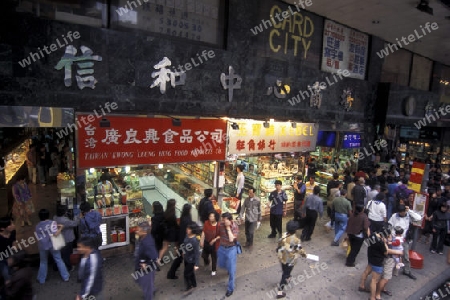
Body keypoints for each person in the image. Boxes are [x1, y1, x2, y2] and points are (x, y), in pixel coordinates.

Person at [35, 209, 70, 284]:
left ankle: (41, 279)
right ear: (48, 215)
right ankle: (65, 276)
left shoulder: (37, 226)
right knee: (58, 259)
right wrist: (61, 227)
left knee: (43, 262)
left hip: (42, 246)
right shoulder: (52, 223)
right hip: (52, 245)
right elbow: (56, 234)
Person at [388, 204, 421, 280]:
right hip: (394, 239)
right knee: (393, 255)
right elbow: (390, 225)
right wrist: (390, 235)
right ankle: (390, 269)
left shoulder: (409, 216)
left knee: (406, 255)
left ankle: (407, 271)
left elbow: (418, 218)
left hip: (403, 239)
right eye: (400, 212)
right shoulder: (394, 216)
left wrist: (409, 210)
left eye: (402, 212)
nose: (401, 213)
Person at [275, 220, 306, 299]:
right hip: (290, 260)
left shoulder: (283, 235)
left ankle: (287, 278)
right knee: (285, 275)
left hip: (282, 257)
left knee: (285, 271)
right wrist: (304, 255)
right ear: (295, 230)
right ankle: (280, 291)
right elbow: (300, 250)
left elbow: (279, 244)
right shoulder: (296, 240)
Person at [359, 232, 388, 300]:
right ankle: (372, 297)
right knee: (374, 280)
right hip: (377, 262)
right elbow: (386, 252)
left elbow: (368, 243)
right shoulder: (381, 243)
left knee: (366, 272)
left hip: (370, 258)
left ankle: (362, 285)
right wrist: (385, 243)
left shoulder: (372, 235)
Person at [167, 203, 192, 280]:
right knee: (181, 258)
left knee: (179, 257)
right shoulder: (187, 219)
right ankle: (172, 273)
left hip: (181, 240)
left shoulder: (183, 217)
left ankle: (172, 273)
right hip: (185, 241)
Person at [134, 221, 158, 300]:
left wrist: (146, 264)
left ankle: (149, 295)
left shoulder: (148, 243)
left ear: (144, 232)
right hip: (141, 264)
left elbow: (154, 257)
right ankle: (151, 289)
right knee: (142, 281)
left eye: (139, 230)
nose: (137, 231)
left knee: (146, 285)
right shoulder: (143, 238)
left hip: (147, 269)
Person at [217, 212, 239, 297]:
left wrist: (228, 228)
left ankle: (230, 288)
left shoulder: (235, 227)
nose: (223, 221)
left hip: (231, 249)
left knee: (232, 270)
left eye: (225, 220)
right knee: (221, 264)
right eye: (222, 219)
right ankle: (229, 268)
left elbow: (231, 239)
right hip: (222, 248)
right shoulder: (221, 224)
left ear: (230, 220)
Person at [54, 206, 79, 272]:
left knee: (61, 254)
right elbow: (75, 223)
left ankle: (58, 267)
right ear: (64, 212)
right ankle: (68, 267)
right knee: (66, 255)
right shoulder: (64, 221)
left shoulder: (55, 217)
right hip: (67, 239)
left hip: (59, 239)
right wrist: (77, 216)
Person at [159, 199, 180, 279]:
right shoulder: (173, 214)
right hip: (173, 233)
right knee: (177, 245)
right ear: (173, 205)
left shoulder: (166, 213)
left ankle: (159, 259)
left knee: (165, 247)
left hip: (167, 232)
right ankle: (176, 257)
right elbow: (175, 224)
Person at [200, 211, 220, 276]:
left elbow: (220, 235)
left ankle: (213, 269)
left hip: (214, 244)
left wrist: (214, 240)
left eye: (212, 216)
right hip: (207, 242)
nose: (210, 218)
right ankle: (207, 262)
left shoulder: (218, 225)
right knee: (204, 255)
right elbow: (203, 232)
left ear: (215, 217)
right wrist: (201, 240)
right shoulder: (206, 223)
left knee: (214, 257)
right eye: (210, 216)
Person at [183, 222, 200, 294]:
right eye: (187, 228)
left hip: (191, 260)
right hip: (186, 258)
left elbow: (197, 253)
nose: (187, 230)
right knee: (190, 273)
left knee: (186, 274)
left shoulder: (194, 241)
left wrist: (196, 264)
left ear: (193, 230)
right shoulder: (187, 236)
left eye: (189, 229)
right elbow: (184, 244)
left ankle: (189, 286)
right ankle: (194, 283)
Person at [0, 217, 16, 286]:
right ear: (2, 228)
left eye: (12, 223)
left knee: (10, 271)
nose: (13, 225)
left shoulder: (13, 232)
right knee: (7, 276)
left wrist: (11, 255)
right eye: (10, 224)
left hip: (7, 254)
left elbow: (13, 242)